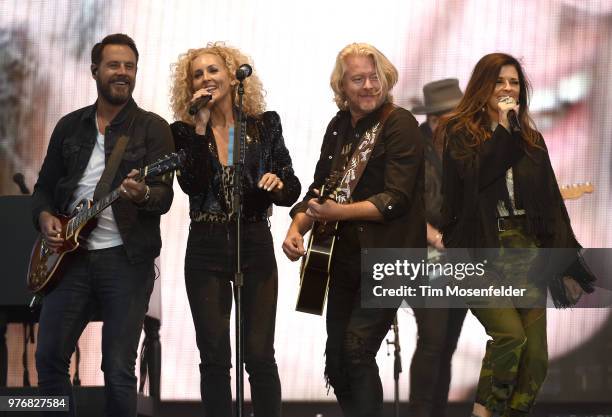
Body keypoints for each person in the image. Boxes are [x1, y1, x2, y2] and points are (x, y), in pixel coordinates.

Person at [437, 52, 594, 417]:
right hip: (479, 252)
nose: (508, 89)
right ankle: (483, 411)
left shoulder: (532, 141)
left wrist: (566, 264)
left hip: (526, 250)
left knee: (536, 356)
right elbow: (476, 180)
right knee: (510, 337)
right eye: (499, 81)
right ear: (483, 86)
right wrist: (505, 129)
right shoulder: (459, 133)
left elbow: (552, 205)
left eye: (514, 83)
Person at [32, 33, 174, 417]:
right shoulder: (69, 127)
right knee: (48, 359)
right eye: (114, 65)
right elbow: (43, 190)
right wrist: (46, 218)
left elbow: (164, 197)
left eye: (129, 66)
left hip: (126, 260)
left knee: (117, 368)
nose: (122, 73)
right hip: (69, 261)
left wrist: (141, 194)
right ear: (95, 70)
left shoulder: (153, 128)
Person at [282, 43, 425, 417]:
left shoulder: (400, 123)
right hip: (341, 259)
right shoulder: (338, 125)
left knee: (357, 349)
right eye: (357, 78)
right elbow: (320, 189)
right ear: (341, 86)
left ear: (386, 78)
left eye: (374, 77)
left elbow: (396, 199)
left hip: (389, 258)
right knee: (337, 358)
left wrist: (339, 212)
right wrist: (298, 227)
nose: (368, 85)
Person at [169, 42, 300, 417]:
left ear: (231, 74)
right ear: (189, 86)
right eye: (198, 74)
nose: (207, 78)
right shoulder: (181, 131)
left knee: (259, 355)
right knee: (213, 357)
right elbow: (192, 185)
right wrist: (199, 125)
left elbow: (291, 187)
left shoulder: (264, 124)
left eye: (213, 70)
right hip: (205, 246)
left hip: (255, 241)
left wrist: (277, 183)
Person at [410, 78, 468, 417]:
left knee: (446, 345)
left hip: (459, 255)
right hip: (424, 255)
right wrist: (432, 235)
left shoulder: (466, 147)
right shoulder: (412, 147)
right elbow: (399, 202)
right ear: (433, 119)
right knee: (432, 340)